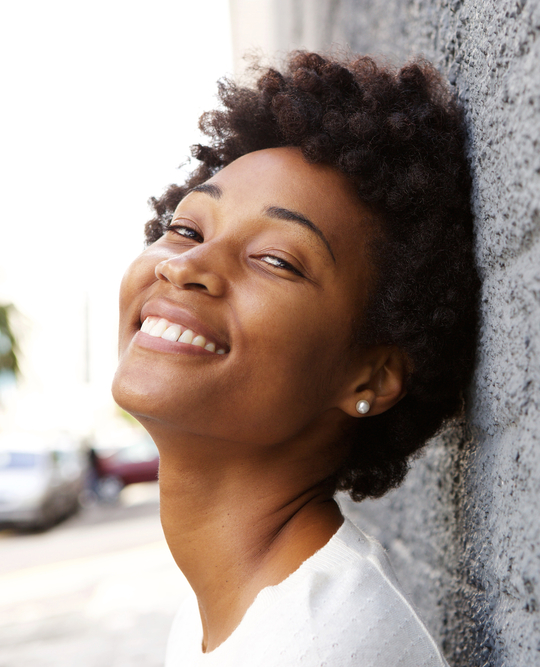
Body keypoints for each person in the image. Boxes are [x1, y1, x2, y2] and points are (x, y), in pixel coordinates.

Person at [111, 51, 478, 666]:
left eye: (277, 259)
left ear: (372, 375)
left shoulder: (317, 644)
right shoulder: (231, 616)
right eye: (187, 229)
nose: (185, 266)